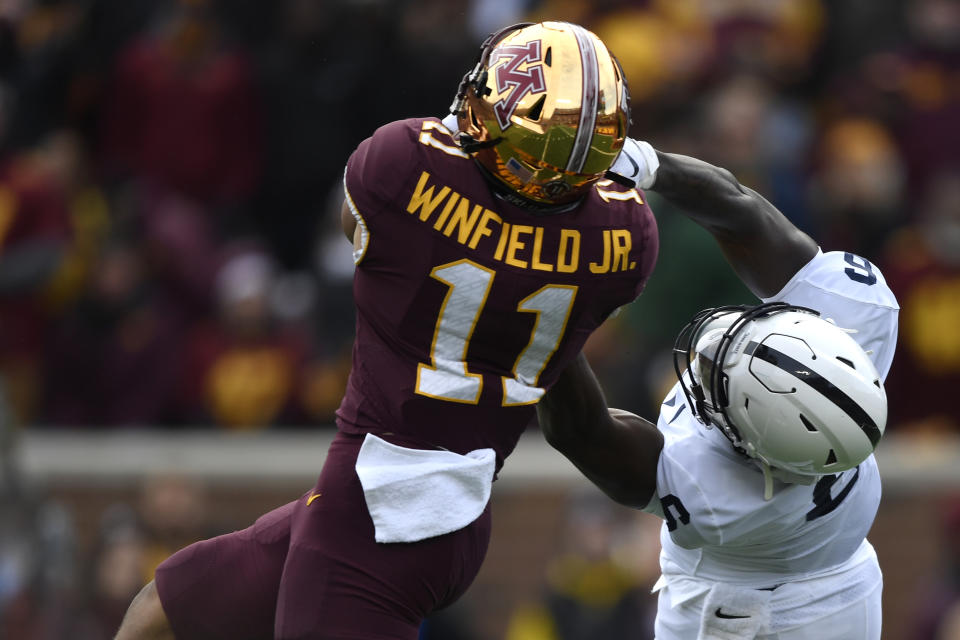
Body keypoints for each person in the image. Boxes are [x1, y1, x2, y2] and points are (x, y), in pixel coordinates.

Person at [114, 21, 659, 640]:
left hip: (384, 502)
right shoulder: (626, 240)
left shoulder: (404, 167)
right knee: (165, 607)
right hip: (439, 504)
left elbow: (354, 223)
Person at [537, 147, 899, 639]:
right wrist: (639, 161)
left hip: (730, 614)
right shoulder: (859, 312)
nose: (714, 351)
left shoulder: (713, 497)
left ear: (750, 449)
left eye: (722, 381)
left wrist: (540, 303)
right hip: (848, 581)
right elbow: (739, 210)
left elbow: (581, 430)